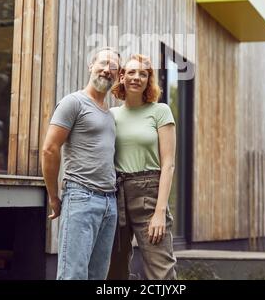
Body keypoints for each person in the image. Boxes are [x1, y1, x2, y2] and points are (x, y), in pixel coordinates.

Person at [42, 47, 120, 280]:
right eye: (103, 63)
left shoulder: (109, 114)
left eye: (114, 67)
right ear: (91, 66)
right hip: (81, 198)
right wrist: (54, 197)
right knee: (73, 275)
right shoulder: (73, 102)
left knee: (97, 276)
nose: (107, 70)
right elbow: (49, 149)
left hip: (109, 203)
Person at [108, 53, 177, 280]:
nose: (136, 77)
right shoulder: (110, 115)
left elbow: (168, 165)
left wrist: (159, 213)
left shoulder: (160, 111)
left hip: (149, 193)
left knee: (161, 270)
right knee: (113, 270)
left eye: (143, 74)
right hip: (115, 194)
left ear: (149, 80)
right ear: (121, 76)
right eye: (131, 72)